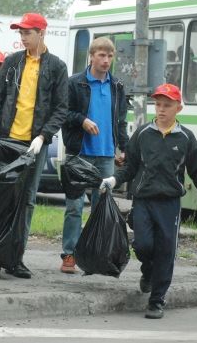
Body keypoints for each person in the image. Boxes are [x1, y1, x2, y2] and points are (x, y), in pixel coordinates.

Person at [100, 83, 197, 319]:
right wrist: (113, 179)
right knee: (143, 245)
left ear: (178, 108)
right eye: (158, 104)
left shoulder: (186, 137)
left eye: (167, 105)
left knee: (166, 250)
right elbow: (131, 166)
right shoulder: (143, 134)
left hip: (170, 204)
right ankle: (149, 271)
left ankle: (157, 300)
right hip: (143, 200)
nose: (161, 109)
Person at [0, 12, 68, 278]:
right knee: (2, 196)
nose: (22, 38)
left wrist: (43, 136)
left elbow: (60, 108)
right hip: (9, 139)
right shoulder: (11, 62)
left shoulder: (56, 67)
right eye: (20, 33)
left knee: (27, 201)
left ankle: (15, 257)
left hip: (35, 142)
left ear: (41, 33)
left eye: (27, 33)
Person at [60, 37, 128, 274]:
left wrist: (124, 148)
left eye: (110, 56)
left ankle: (98, 255)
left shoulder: (117, 86)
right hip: (79, 154)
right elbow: (63, 113)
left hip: (106, 156)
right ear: (91, 56)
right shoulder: (74, 83)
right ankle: (69, 254)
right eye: (101, 55)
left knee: (103, 208)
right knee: (74, 207)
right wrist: (82, 120)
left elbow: (121, 121)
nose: (106, 60)